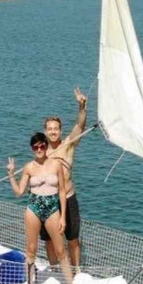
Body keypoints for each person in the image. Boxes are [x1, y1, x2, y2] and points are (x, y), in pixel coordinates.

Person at [7, 132, 78, 284]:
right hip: (34, 208)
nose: (39, 149)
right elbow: (19, 192)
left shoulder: (56, 165)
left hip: (53, 208)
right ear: (32, 148)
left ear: (46, 146)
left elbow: (62, 191)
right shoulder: (29, 167)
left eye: (42, 146)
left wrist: (62, 217)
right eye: (35, 147)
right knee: (31, 250)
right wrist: (11, 175)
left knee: (61, 250)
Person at [41, 87, 89, 273]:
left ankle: (77, 271)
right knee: (49, 239)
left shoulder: (68, 145)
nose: (53, 132)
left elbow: (80, 126)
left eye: (56, 129)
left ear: (60, 131)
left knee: (73, 238)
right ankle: (55, 270)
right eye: (50, 129)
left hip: (68, 198)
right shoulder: (42, 151)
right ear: (45, 132)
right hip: (48, 200)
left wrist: (82, 107)